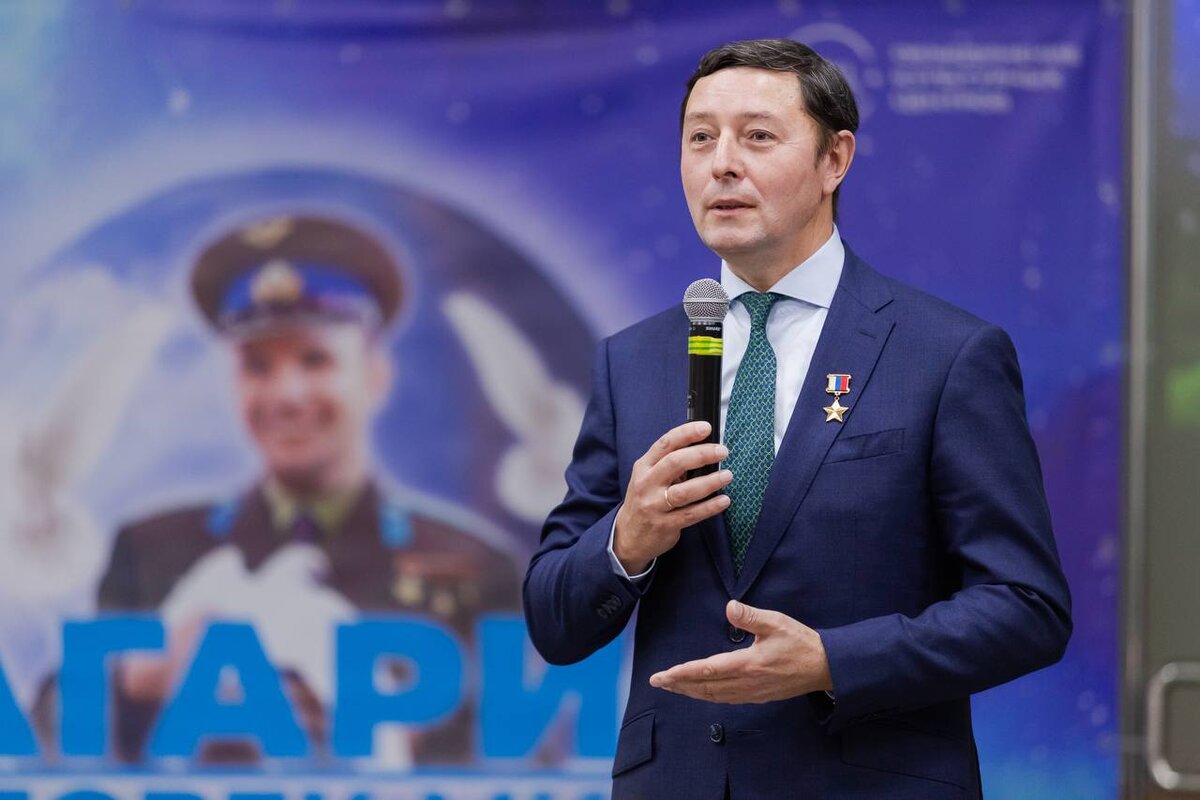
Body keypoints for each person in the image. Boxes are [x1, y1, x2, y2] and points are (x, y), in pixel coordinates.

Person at [523, 39, 1071, 799]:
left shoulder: (944, 354)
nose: (721, 164)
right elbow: (554, 621)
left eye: (757, 136)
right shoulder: (635, 360)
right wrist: (628, 538)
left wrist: (832, 662)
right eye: (700, 138)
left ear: (834, 160)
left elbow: (1027, 608)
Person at [98, 214, 523, 765]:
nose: (287, 395)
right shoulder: (150, 552)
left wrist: (399, 741)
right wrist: (141, 689)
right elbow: (53, 734)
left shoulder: (477, 569)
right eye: (257, 367)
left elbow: (535, 762)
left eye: (315, 360)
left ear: (375, 375)